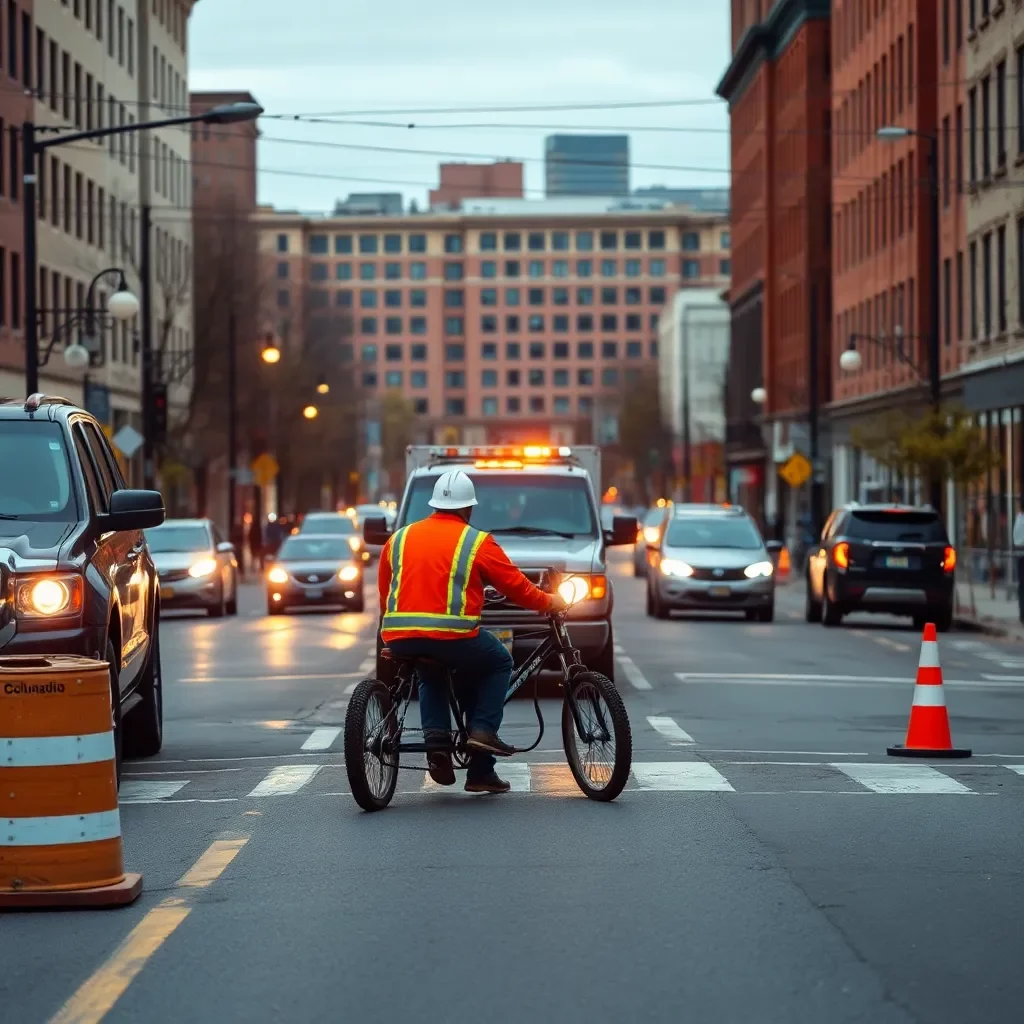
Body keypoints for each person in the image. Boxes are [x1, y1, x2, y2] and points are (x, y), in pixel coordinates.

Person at [377, 469, 567, 794]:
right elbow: (517, 587)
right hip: (452, 637)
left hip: (399, 633)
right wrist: (549, 601)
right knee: (498, 662)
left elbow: (387, 590)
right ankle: (482, 732)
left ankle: (442, 749)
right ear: (469, 509)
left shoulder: (399, 538)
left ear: (434, 504)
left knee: (429, 671)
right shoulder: (476, 541)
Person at [1014, 504, 1024, 625]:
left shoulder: (1018, 519)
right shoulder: (1020, 519)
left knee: (1021, 585)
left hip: (1020, 554)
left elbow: (1015, 538)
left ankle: (1022, 613)